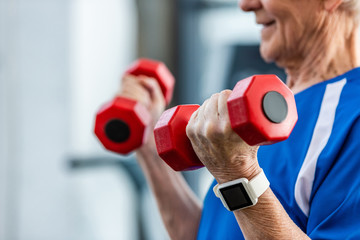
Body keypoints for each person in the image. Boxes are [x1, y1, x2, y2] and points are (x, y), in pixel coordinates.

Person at [120, 0, 360, 239]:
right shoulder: (278, 107)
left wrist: (239, 174)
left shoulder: (352, 116)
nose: (246, 4)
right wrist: (149, 145)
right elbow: (210, 234)